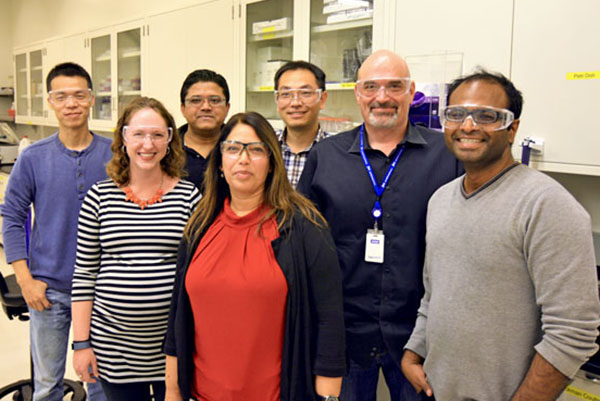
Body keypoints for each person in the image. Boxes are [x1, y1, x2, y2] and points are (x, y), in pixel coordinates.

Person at [401, 70, 600, 401]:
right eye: (457, 114)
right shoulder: (440, 200)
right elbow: (434, 294)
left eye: (487, 116)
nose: (468, 126)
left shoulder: (546, 206)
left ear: (513, 128)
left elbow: (573, 334)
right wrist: (414, 351)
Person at [297, 49, 463, 401]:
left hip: (420, 337)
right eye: (371, 87)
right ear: (358, 93)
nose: (382, 97)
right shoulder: (325, 157)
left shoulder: (447, 156)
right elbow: (303, 246)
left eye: (394, 86)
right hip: (345, 333)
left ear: (411, 91)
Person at [163, 112, 346, 401]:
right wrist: (172, 392)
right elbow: (177, 317)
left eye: (256, 149)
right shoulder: (198, 226)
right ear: (220, 162)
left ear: (272, 163)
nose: (243, 158)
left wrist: (329, 398)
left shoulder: (305, 228)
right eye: (233, 148)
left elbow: (330, 321)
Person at [71, 97, 200, 401]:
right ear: (123, 138)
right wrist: (81, 344)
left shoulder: (188, 196)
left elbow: (199, 273)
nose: (147, 143)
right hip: (114, 347)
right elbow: (84, 275)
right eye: (139, 134)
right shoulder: (99, 197)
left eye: (157, 134)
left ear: (170, 140)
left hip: (174, 346)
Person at [1, 62, 110, 401]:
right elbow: (11, 217)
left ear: (92, 99)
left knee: (99, 387)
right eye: (61, 96)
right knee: (47, 385)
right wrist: (25, 280)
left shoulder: (115, 154)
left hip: (103, 289)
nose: (71, 103)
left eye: (79, 95)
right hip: (49, 291)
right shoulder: (33, 157)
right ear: (50, 101)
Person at [274, 61, 330, 188]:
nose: (295, 103)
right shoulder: (265, 146)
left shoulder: (337, 152)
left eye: (305, 93)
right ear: (277, 100)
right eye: (286, 94)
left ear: (322, 99)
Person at [179, 69, 231, 189]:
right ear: (183, 108)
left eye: (214, 100)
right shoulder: (167, 148)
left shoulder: (240, 148)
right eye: (196, 100)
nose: (206, 107)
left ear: (227, 107)